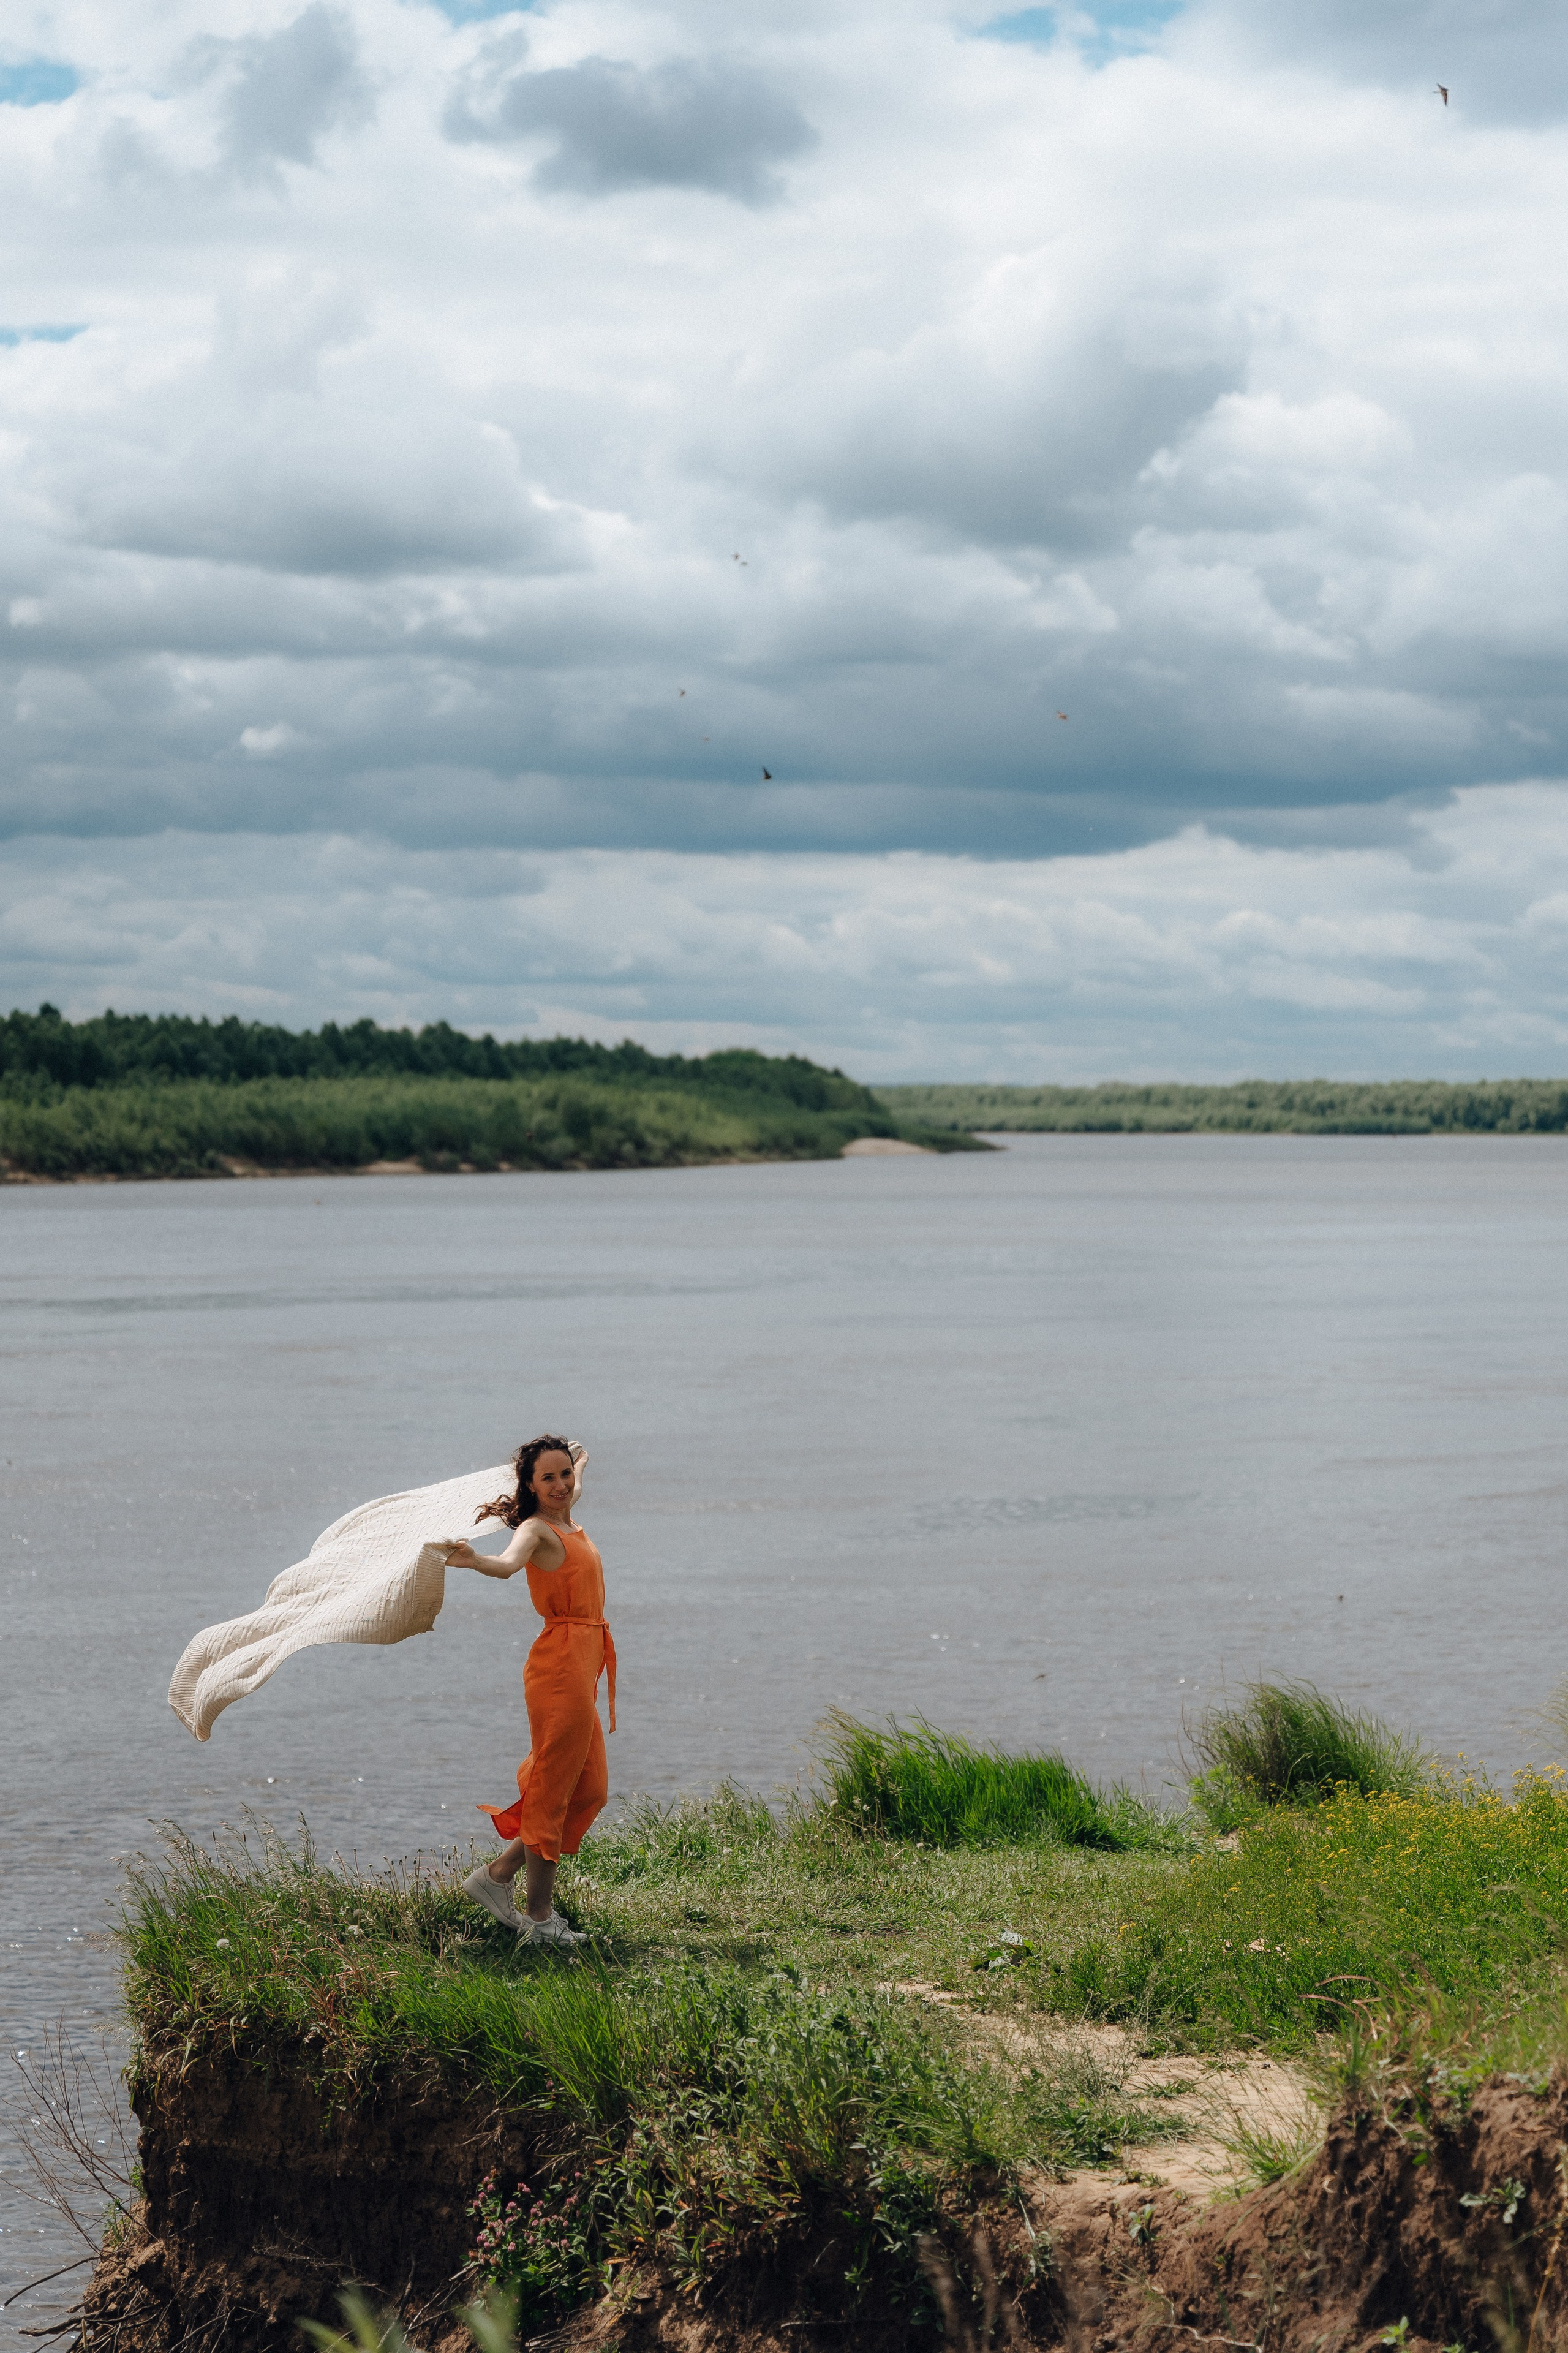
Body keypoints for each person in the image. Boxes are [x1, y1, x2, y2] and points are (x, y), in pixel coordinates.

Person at [443, 1434, 616, 1949]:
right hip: (559, 1668)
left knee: (589, 1788)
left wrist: (580, 1460)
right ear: (531, 1485)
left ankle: (497, 1876)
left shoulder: (566, 1516)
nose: (561, 1485)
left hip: (582, 1665)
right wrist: (474, 1559)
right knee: (552, 1790)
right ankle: (540, 1919)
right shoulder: (537, 1529)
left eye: (565, 1474)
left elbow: (574, 1486)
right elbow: (507, 1563)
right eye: (549, 1478)